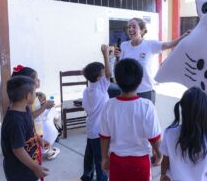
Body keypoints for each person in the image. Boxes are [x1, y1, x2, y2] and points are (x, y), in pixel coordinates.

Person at [100, 58, 162, 181]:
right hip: (140, 164)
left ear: (117, 80)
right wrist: (159, 155)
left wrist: (104, 158)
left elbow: (104, 137)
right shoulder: (146, 106)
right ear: (140, 81)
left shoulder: (109, 105)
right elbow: (154, 138)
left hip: (117, 162)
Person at [114, 17, 189, 104]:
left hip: (146, 90)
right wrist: (117, 57)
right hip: (127, 91)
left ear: (142, 30)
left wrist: (182, 37)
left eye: (134, 27)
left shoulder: (150, 45)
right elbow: (119, 66)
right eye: (129, 27)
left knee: (147, 116)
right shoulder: (124, 45)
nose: (130, 29)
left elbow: (169, 44)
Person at [160, 87, 207, 181]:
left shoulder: (169, 133)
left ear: (182, 110)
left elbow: (165, 161)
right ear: (206, 114)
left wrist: (163, 175)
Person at [1, 75, 49, 181]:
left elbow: (30, 130)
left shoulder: (25, 110)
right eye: (34, 93)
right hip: (19, 172)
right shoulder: (15, 121)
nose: (35, 95)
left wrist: (38, 139)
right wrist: (36, 167)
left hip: (29, 167)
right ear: (28, 96)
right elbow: (18, 150)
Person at [11, 65, 60, 161]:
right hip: (33, 132)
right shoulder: (25, 104)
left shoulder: (31, 97)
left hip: (37, 132)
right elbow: (31, 116)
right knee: (34, 157)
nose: (39, 81)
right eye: (36, 80)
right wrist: (44, 106)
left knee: (37, 155)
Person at [81, 44, 111, 181]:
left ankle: (87, 175)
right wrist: (105, 55)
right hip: (100, 131)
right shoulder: (101, 88)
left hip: (91, 128)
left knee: (89, 154)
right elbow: (110, 74)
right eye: (103, 73)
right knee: (100, 158)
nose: (106, 74)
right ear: (99, 77)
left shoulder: (87, 90)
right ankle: (101, 179)